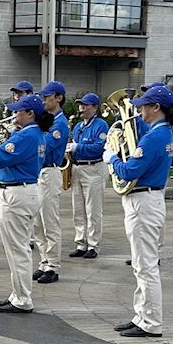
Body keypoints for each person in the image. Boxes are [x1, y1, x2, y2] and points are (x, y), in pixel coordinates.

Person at [106, 84, 173, 338]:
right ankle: (142, 315)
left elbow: (128, 171)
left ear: (156, 107)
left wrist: (112, 157)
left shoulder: (154, 137)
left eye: (143, 106)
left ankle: (150, 322)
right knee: (141, 264)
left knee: (145, 266)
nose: (139, 111)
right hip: (148, 200)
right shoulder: (162, 132)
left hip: (144, 202)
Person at [0, 94, 49, 312]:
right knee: (16, 248)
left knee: (17, 249)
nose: (13, 113)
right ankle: (17, 293)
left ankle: (23, 299)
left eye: (18, 110)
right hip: (21, 191)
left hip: (16, 194)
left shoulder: (27, 136)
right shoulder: (30, 133)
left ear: (30, 114)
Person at [33, 80, 69, 283]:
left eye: (47, 97)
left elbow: (45, 144)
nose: (43, 100)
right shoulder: (46, 120)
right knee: (37, 222)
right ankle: (44, 260)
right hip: (38, 172)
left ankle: (53, 265)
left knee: (49, 221)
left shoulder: (60, 123)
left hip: (50, 172)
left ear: (58, 98)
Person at [68, 93, 108, 259]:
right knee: (78, 209)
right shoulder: (78, 126)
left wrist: (77, 148)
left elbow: (99, 147)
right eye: (80, 105)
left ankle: (93, 245)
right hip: (78, 168)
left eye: (85, 105)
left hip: (93, 168)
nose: (81, 108)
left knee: (93, 209)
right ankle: (81, 242)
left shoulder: (101, 125)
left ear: (95, 108)